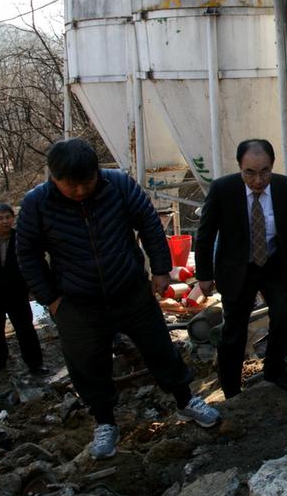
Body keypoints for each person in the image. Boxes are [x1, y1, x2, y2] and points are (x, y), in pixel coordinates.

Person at [17, 138, 220, 460]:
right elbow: (26, 253)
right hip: (77, 302)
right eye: (72, 185)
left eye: (86, 182)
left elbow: (150, 225)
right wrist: (51, 299)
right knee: (87, 365)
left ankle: (185, 400)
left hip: (130, 291)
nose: (81, 190)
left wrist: (160, 270)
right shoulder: (37, 203)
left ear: (97, 172)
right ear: (53, 177)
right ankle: (105, 422)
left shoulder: (119, 185)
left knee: (159, 348)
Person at [195, 139, 287, 398]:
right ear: (240, 167)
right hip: (237, 267)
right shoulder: (223, 189)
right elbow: (205, 234)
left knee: (283, 316)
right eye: (250, 172)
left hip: (274, 263)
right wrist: (204, 275)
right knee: (234, 331)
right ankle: (231, 388)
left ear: (272, 166)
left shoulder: (285, 188)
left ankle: (274, 369)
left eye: (264, 171)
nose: (258, 180)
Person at [0, 203, 45, 376]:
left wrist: (34, 287)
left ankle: (35, 364)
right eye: (0, 218)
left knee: (25, 328)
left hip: (16, 292)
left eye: (8, 217)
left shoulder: (21, 237)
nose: (5, 221)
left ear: (13, 218)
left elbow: (32, 264)